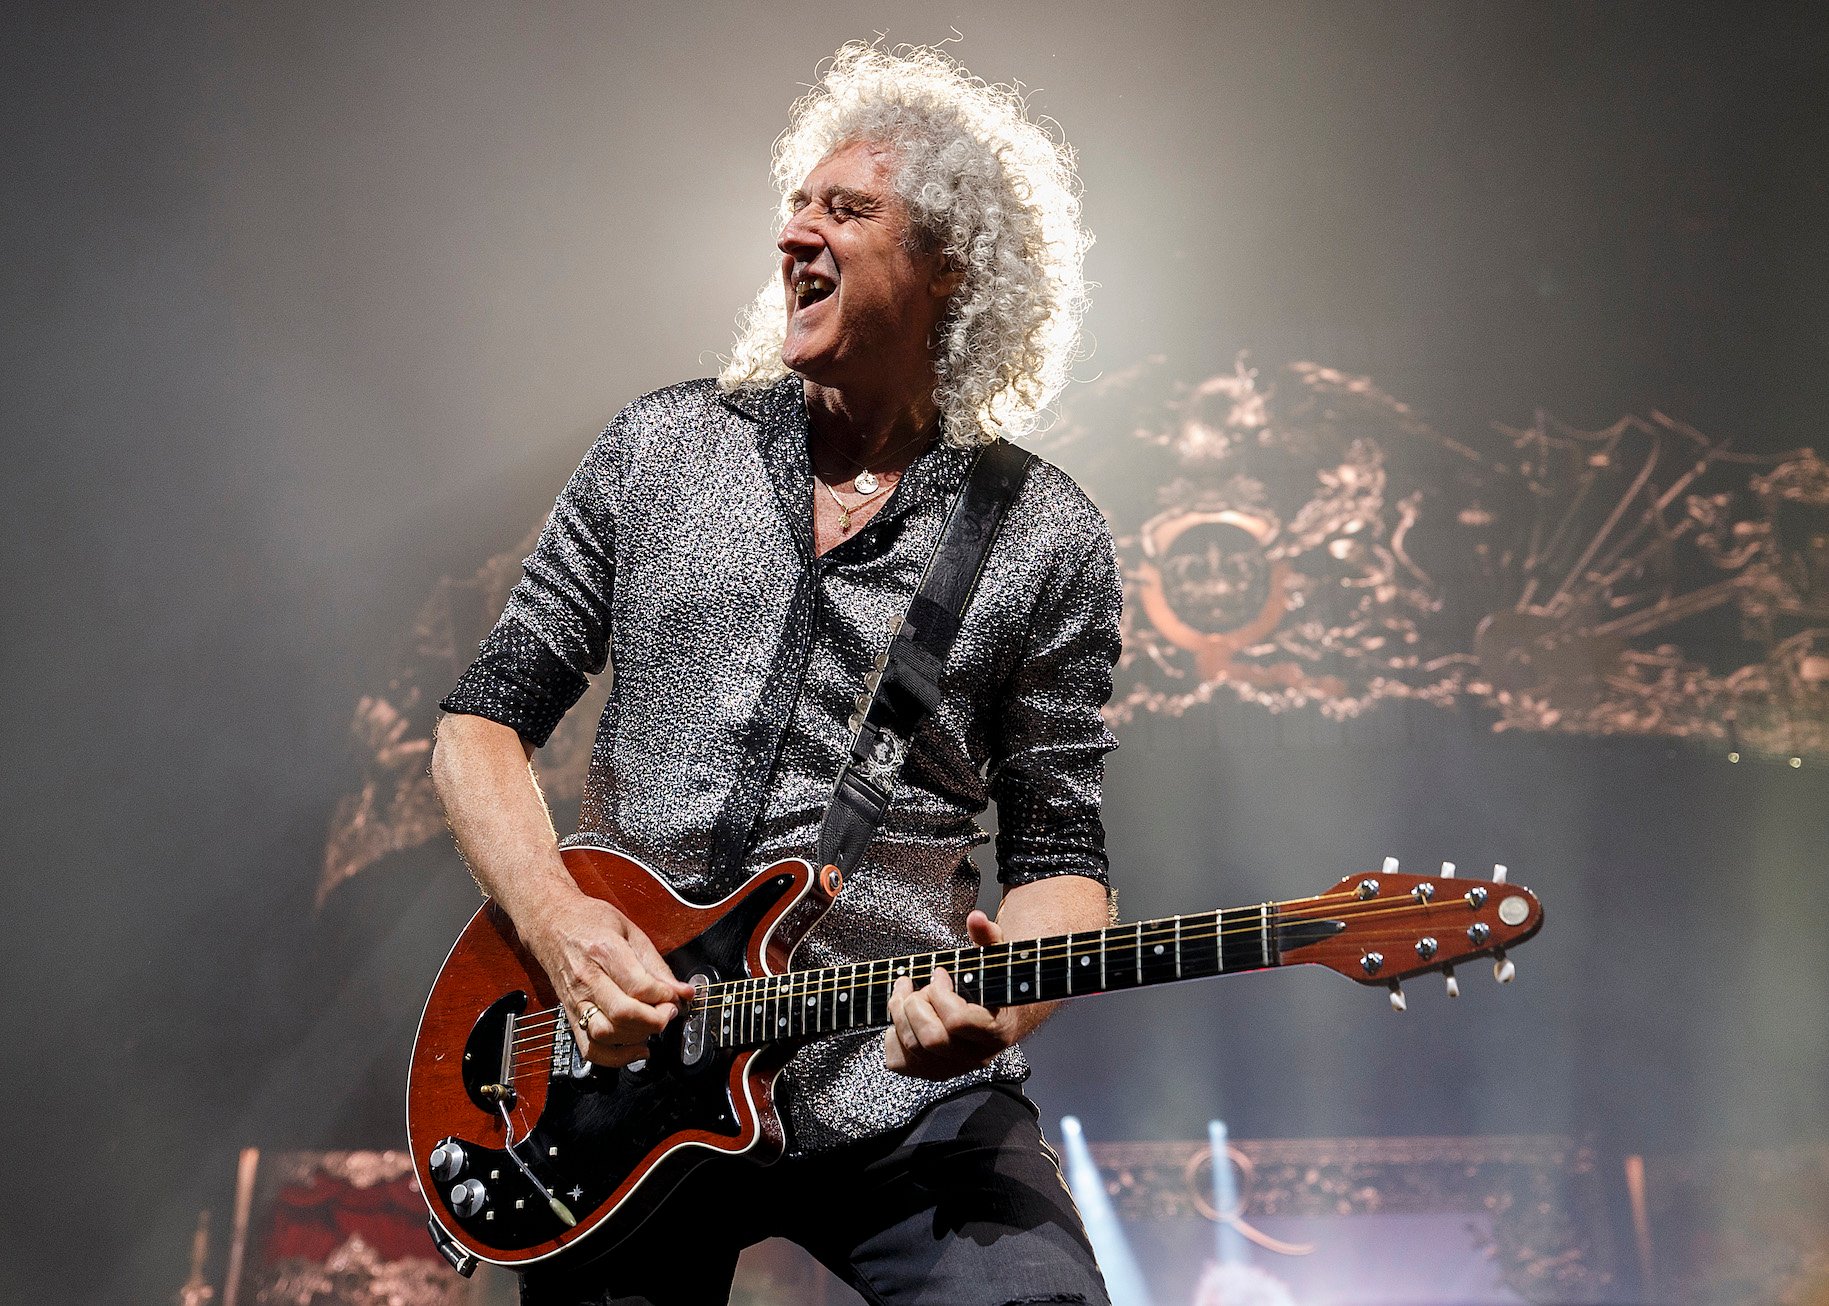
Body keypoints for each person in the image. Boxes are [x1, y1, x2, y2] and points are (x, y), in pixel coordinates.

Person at [431, 43, 1121, 1306]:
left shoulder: (1044, 535)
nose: (797, 231)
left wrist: (998, 1011)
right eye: (793, 207)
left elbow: (1063, 857)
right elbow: (477, 725)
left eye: (846, 211)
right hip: (619, 1092)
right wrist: (556, 919)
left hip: (893, 1082)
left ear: (947, 267)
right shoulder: (657, 451)